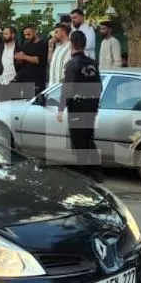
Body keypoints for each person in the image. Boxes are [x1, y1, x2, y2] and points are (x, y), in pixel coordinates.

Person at [57, 31, 103, 183]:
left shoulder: (72, 64)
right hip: (91, 107)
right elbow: (99, 87)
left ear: (71, 44)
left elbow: (67, 88)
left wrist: (60, 108)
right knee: (89, 137)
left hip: (77, 107)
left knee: (79, 140)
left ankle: (85, 173)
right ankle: (96, 171)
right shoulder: (92, 63)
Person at [15, 25, 49, 97]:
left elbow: (38, 60)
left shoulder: (43, 45)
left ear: (35, 32)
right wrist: (18, 59)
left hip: (37, 82)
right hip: (26, 81)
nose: (26, 37)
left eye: (28, 34)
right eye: (25, 35)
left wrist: (24, 56)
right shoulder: (25, 46)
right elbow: (21, 63)